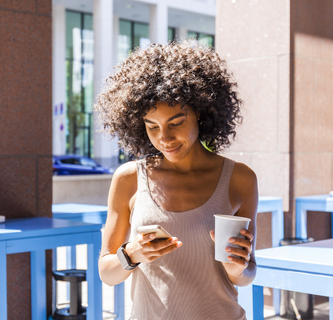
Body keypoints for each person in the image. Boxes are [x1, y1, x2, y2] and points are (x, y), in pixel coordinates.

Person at [95, 41, 258, 320]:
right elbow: (107, 274)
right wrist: (132, 253)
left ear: (201, 113)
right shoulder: (129, 178)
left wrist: (237, 267)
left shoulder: (240, 179)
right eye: (152, 127)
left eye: (176, 122)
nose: (164, 139)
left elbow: (247, 273)